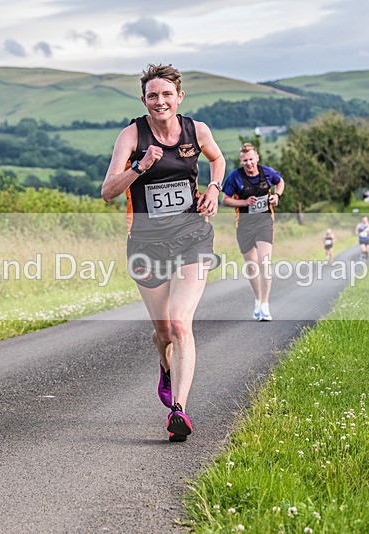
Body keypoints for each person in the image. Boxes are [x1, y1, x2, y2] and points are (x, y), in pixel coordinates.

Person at [101, 64, 225, 442]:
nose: (160, 101)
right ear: (144, 100)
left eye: (167, 94)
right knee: (163, 332)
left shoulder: (196, 130)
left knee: (180, 322)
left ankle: (179, 411)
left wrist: (215, 189)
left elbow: (218, 160)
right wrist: (140, 165)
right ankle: (165, 366)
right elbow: (108, 191)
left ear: (179, 97)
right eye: (153, 95)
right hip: (146, 245)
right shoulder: (131, 135)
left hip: (192, 237)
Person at [221, 143, 285, 321]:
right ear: (241, 161)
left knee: (265, 262)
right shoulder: (235, 177)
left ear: (257, 158)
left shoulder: (267, 172)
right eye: (245, 160)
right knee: (252, 266)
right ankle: (258, 299)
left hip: (264, 222)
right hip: (244, 225)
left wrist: (276, 196)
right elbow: (225, 200)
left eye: (251, 159)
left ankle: (265, 305)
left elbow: (280, 182)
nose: (249, 163)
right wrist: (245, 202)